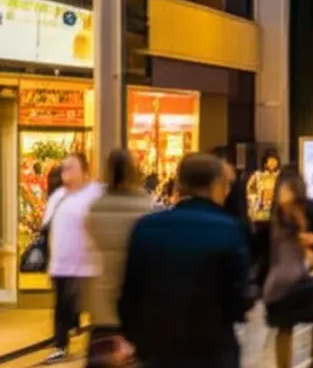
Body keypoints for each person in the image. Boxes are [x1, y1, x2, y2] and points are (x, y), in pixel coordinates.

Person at [119, 154, 252, 368]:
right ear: (216, 185)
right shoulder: (229, 229)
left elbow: (130, 296)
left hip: (160, 352)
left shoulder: (146, 228)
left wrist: (140, 343)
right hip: (213, 351)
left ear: (180, 184)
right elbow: (238, 300)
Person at [84, 150, 153, 366]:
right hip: (137, 301)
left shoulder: (95, 208)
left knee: (101, 357)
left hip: (102, 300)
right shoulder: (147, 209)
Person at [42, 153, 102, 363]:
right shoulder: (57, 196)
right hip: (61, 264)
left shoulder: (96, 193)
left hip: (88, 265)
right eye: (64, 167)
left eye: (72, 167)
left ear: (84, 172)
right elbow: (47, 227)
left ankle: (95, 347)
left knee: (92, 309)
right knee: (62, 308)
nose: (66, 171)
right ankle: (60, 345)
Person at [263, 170, 313, 368]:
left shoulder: (271, 215)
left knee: (283, 329)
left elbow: (265, 251)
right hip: (304, 278)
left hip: (277, 282)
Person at [247, 149, 281, 285]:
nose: (272, 163)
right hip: (260, 212)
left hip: (276, 212)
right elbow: (250, 192)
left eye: (274, 160)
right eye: (269, 160)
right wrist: (257, 201)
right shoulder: (257, 176)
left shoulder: (280, 176)